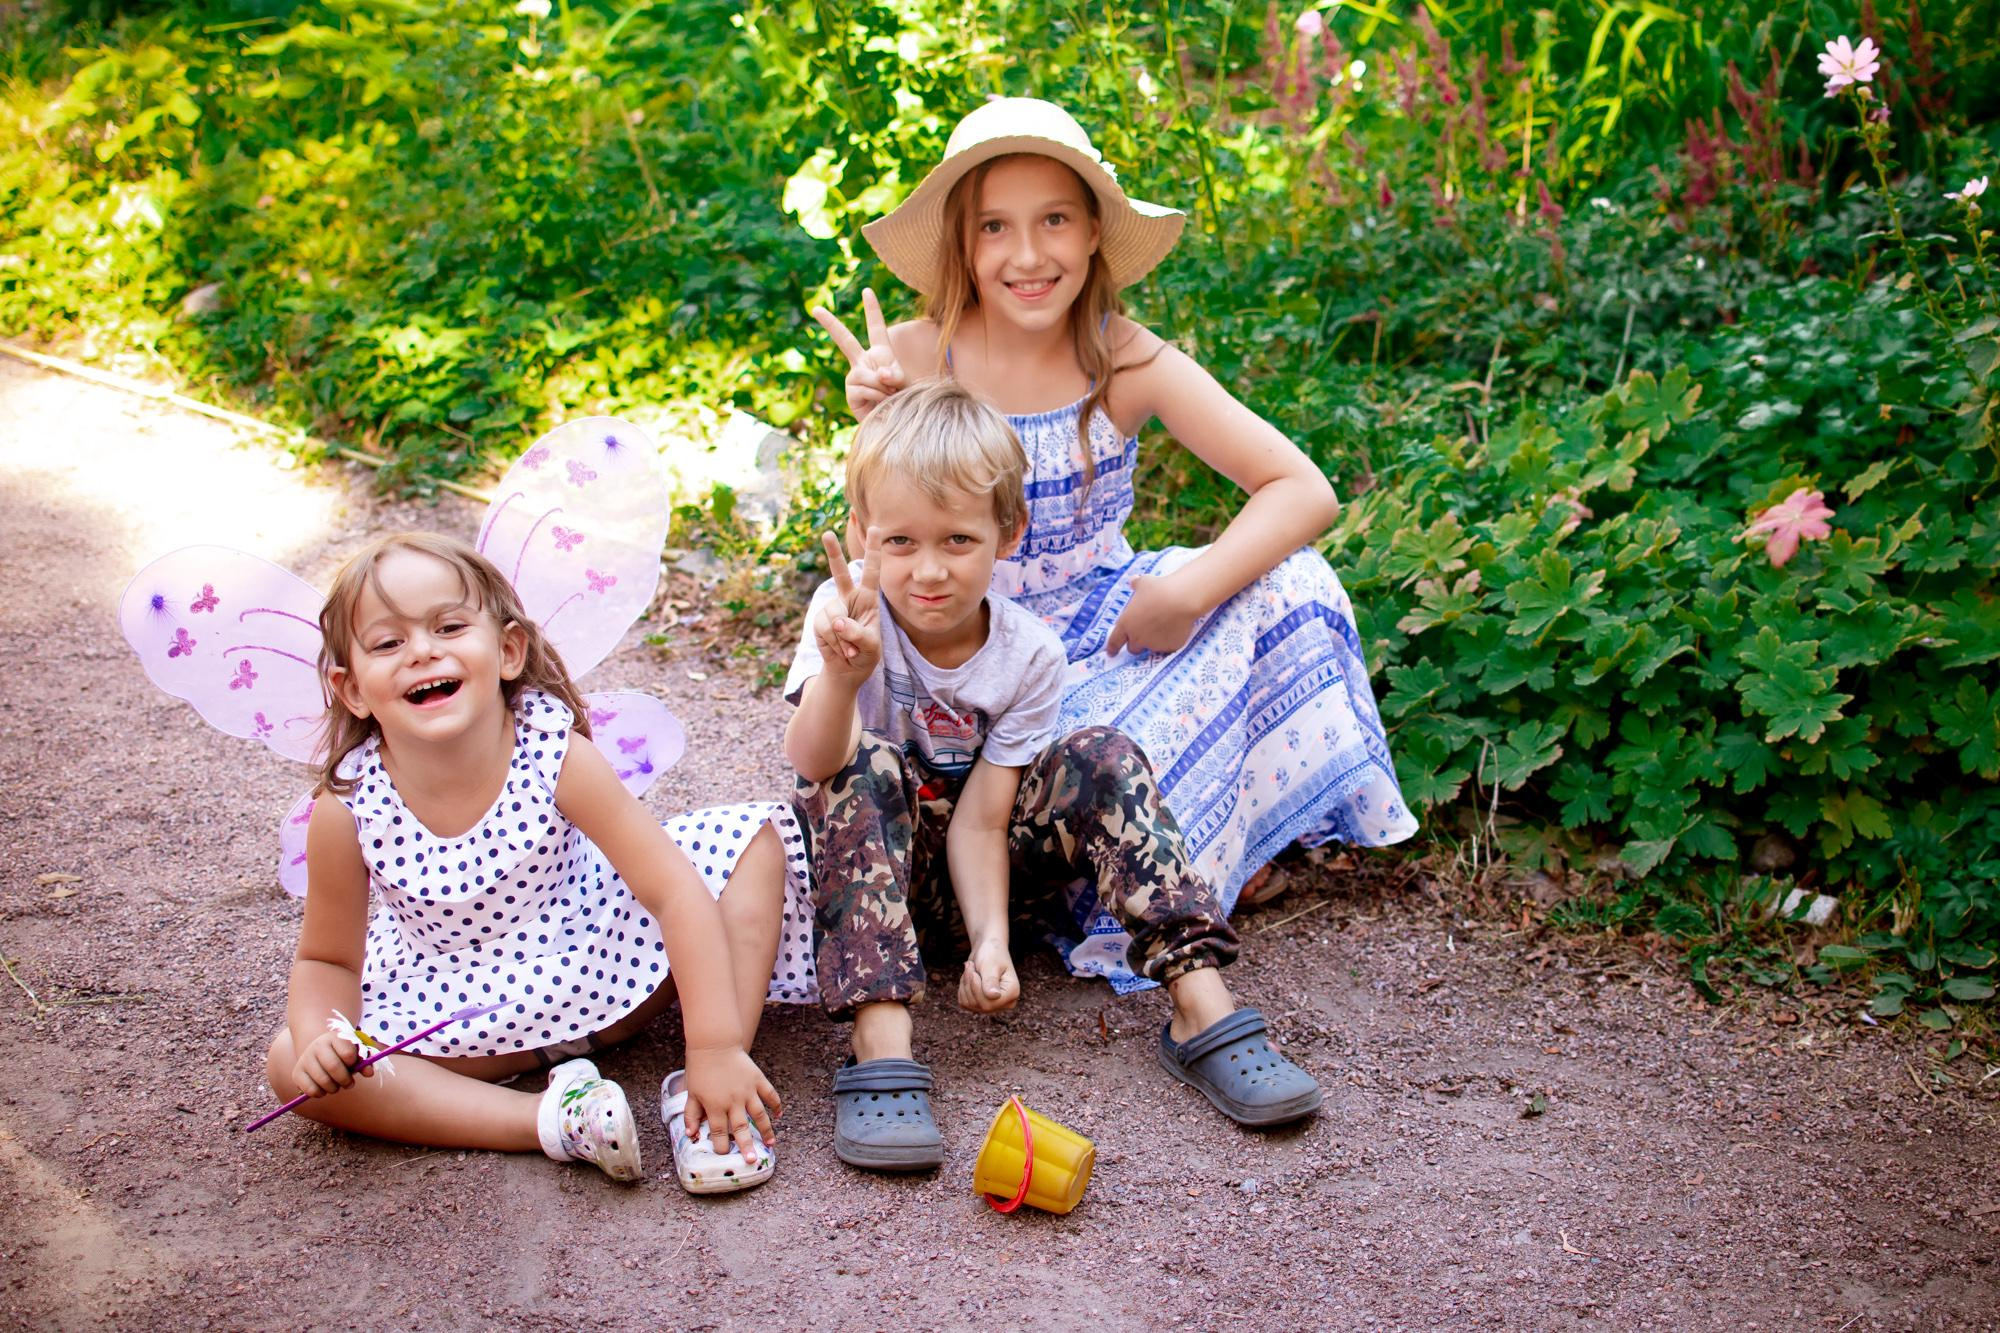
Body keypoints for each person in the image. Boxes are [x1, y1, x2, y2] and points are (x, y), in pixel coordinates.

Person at [812, 98, 1417, 983]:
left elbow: (1303, 488)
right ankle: (1100, 868)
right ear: (963, 244)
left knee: (1296, 582)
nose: (1027, 255)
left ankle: (1207, 841)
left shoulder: (1125, 358)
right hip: (966, 652)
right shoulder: (910, 355)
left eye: (1055, 219)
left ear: (1095, 231)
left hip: (1104, 641)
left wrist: (1187, 592)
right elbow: (883, 545)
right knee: (1046, 759)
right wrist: (880, 419)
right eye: (995, 226)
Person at [784, 380, 1321, 1172]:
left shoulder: (1028, 651)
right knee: (859, 762)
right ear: (863, 535)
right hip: (879, 889)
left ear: (1007, 533)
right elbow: (811, 764)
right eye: (899, 541)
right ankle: (880, 1043)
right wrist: (840, 675)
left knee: (1103, 753)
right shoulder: (844, 616)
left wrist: (990, 942)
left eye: (957, 540)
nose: (928, 570)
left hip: (990, 876)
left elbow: (983, 818)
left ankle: (1201, 1004)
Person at [263, 533, 804, 1191]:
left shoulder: (552, 751)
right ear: (351, 688)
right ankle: (557, 1120)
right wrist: (323, 1038)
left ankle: (708, 1090)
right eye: (387, 643)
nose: (423, 651)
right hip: (465, 1014)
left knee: (753, 842)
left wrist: (714, 1042)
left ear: (509, 649)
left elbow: (673, 892)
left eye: (449, 626)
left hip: (605, 965)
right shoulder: (349, 806)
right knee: (290, 1062)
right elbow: (328, 961)